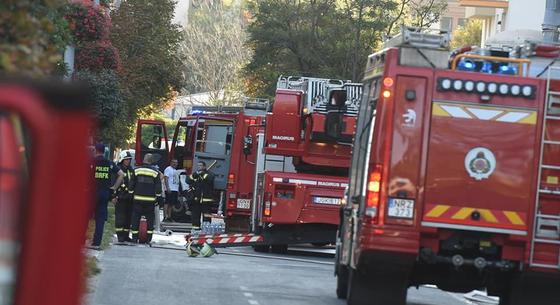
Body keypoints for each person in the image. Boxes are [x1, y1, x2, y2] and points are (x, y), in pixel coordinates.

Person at [91, 143, 124, 250]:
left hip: (91, 193)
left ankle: (81, 241)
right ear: (104, 151)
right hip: (104, 194)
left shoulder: (91, 162)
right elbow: (121, 174)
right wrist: (114, 187)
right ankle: (96, 243)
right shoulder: (109, 163)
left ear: (95, 150)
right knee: (100, 219)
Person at [129, 153, 163, 243]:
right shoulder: (155, 172)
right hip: (150, 201)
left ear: (144, 159)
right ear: (151, 161)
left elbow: (131, 185)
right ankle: (148, 239)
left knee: (135, 219)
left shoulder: (136, 170)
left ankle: (134, 237)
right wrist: (159, 198)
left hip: (137, 199)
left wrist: (130, 195)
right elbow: (158, 188)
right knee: (150, 220)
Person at [186, 161, 215, 230]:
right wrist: (195, 174)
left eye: (201, 165)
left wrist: (202, 174)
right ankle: (196, 229)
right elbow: (188, 180)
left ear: (204, 167)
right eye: (198, 165)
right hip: (196, 199)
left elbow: (209, 179)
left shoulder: (210, 174)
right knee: (195, 216)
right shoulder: (195, 174)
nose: (199, 167)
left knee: (207, 216)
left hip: (206, 200)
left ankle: (206, 230)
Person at [115, 150, 135, 242]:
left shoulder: (131, 170)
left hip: (130, 198)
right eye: (126, 159)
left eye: (129, 159)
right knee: (120, 217)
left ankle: (126, 235)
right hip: (121, 197)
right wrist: (113, 196)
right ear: (122, 160)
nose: (128, 161)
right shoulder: (118, 169)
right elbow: (114, 183)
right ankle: (120, 236)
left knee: (128, 217)